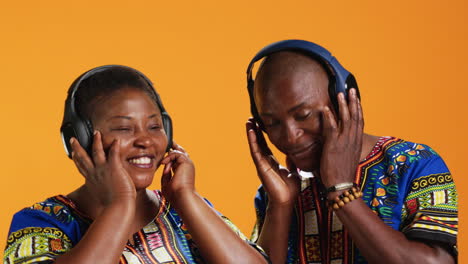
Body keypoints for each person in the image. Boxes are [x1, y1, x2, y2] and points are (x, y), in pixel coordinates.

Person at [4, 65, 268, 264]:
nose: (145, 140)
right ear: (80, 139)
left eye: (155, 126)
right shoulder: (43, 221)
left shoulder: (188, 211)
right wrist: (120, 203)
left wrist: (186, 197)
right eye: (124, 128)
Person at [245, 40, 458, 264]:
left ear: (343, 98)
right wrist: (279, 206)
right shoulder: (277, 192)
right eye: (273, 123)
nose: (290, 136)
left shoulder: (415, 163)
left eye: (303, 115)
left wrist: (341, 190)